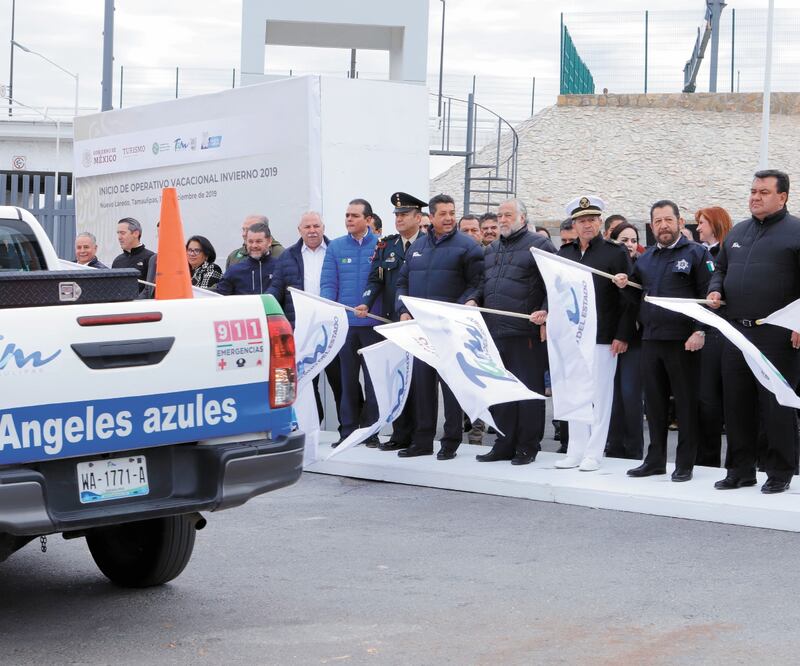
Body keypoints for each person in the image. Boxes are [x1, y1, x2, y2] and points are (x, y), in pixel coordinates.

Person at [707, 170, 800, 494]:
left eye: (763, 191)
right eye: (752, 191)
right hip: (736, 333)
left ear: (782, 197)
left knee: (776, 406)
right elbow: (719, 269)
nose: (755, 197)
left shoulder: (796, 232)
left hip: (778, 334)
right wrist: (716, 290)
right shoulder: (738, 232)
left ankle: (780, 471)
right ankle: (740, 470)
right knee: (737, 404)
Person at [531, 195, 633, 472]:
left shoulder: (615, 253)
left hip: (602, 336)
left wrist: (622, 335)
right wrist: (545, 313)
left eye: (592, 220)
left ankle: (594, 452)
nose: (587, 225)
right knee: (575, 393)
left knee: (599, 396)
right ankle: (576, 449)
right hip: (572, 338)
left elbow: (630, 298)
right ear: (574, 225)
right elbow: (555, 293)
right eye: (581, 221)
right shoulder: (565, 255)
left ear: (600, 222)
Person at [614, 200, 713, 482]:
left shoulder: (696, 254)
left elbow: (707, 295)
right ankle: (655, 460)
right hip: (651, 339)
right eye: (657, 221)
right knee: (655, 405)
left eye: (668, 220)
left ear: (680, 222)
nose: (663, 226)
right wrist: (624, 285)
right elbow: (637, 298)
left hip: (683, 341)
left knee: (685, 405)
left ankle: (685, 463)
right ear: (652, 226)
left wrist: (700, 330)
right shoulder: (644, 260)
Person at [466, 198, 556, 465]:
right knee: (501, 392)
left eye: (508, 215)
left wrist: (545, 311)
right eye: (500, 215)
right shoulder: (491, 249)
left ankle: (528, 446)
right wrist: (474, 299)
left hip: (525, 332)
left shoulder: (539, 245)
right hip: (495, 332)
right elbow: (484, 283)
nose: (502, 219)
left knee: (527, 392)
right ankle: (504, 443)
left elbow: (555, 283)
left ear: (523, 218)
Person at [396, 193, 484, 460]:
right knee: (423, 387)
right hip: (422, 331)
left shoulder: (468, 246)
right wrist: (403, 310)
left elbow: (477, 284)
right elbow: (402, 282)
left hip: (450, 329)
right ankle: (423, 441)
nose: (448, 218)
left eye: (452, 212)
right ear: (430, 217)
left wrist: (463, 304)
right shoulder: (417, 247)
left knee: (452, 386)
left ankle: (451, 441)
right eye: (443, 213)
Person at [356, 192, 426, 452]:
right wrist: (366, 300)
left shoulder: (428, 244)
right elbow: (375, 278)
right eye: (396, 215)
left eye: (404, 214)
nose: (399, 219)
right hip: (391, 322)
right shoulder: (387, 246)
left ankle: (421, 435)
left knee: (419, 382)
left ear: (418, 217)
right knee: (396, 379)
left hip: (417, 324)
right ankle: (400, 433)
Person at [268, 212, 343, 434]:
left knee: (341, 382)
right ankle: (311, 427)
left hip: (331, 328)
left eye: (316, 226)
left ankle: (349, 428)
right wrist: (263, 304)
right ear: (299, 230)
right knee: (303, 381)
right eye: (307, 226)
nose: (312, 230)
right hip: (299, 330)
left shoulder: (335, 250)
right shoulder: (287, 256)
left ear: (323, 227)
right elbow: (277, 289)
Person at [321, 199, 382, 447]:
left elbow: (385, 284)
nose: (349, 219)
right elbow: (328, 284)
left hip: (373, 326)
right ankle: (347, 432)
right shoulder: (335, 247)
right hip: (346, 327)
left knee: (372, 381)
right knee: (347, 382)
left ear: (368, 220)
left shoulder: (381, 246)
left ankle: (370, 432)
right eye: (347, 215)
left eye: (355, 216)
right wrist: (328, 310)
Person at [694, 206, 732, 467]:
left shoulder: (727, 254)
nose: (698, 228)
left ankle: (737, 462)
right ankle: (707, 461)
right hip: (705, 333)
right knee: (706, 402)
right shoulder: (699, 254)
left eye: (703, 223)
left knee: (732, 402)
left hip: (724, 333)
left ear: (716, 224)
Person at [605, 222, 644, 460]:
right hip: (609, 340)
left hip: (633, 340)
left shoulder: (640, 268)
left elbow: (633, 307)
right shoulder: (611, 265)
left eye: (633, 240)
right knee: (613, 397)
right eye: (624, 239)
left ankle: (634, 449)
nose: (629, 244)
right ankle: (614, 445)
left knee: (630, 395)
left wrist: (623, 335)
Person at [215, 221, 276, 295]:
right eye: (250, 242)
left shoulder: (280, 268)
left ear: (269, 241)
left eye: (259, 241)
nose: (254, 245)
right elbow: (220, 298)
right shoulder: (234, 271)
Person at [112, 217, 155, 292]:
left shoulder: (151, 258)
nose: (119, 237)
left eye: (122, 233)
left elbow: (150, 290)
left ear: (136, 233)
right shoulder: (117, 261)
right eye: (118, 233)